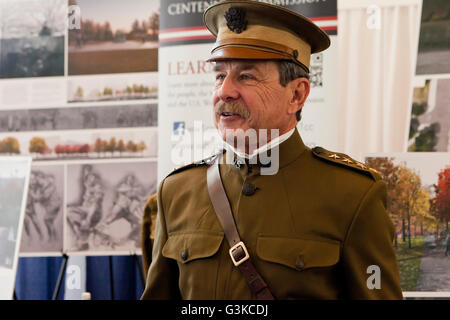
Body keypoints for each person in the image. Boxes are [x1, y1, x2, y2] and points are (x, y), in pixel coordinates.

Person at [141, 0, 402, 299]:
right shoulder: (176, 192)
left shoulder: (353, 196)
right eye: (219, 75)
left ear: (296, 94)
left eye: (246, 76)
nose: (224, 90)